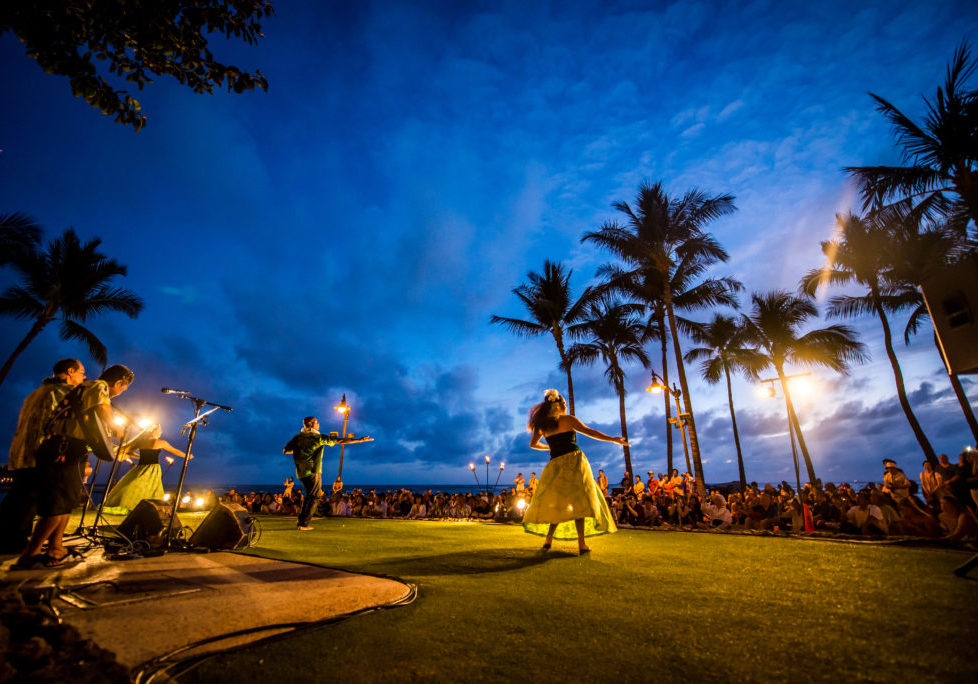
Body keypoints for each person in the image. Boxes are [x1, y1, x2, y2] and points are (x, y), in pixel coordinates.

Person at [16, 364, 133, 568]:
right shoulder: (98, 386)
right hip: (62, 448)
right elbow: (103, 408)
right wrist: (117, 427)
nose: (120, 393)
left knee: (67, 501)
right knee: (57, 503)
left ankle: (56, 548)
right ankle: (30, 555)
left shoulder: (84, 389)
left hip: (69, 448)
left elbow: (89, 423)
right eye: (123, 389)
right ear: (118, 383)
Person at [522, 389, 622, 554]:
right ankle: (581, 544)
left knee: (558, 504)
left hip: (556, 466)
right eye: (564, 404)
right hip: (574, 463)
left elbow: (533, 444)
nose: (566, 406)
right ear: (559, 405)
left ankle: (548, 540)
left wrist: (548, 446)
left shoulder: (543, 425)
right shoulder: (568, 420)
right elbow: (591, 432)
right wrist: (613, 439)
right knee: (579, 504)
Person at [1, 358, 86, 553]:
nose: (84, 377)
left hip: (22, 451)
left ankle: (13, 543)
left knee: (20, 498)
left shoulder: (36, 392)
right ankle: (30, 549)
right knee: (48, 503)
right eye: (82, 373)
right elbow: (63, 425)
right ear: (71, 371)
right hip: (45, 454)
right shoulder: (64, 393)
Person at [283, 416, 372, 530]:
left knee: (309, 496)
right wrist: (360, 440)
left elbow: (286, 450)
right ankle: (303, 524)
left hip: (301, 472)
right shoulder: (318, 437)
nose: (319, 424)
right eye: (317, 422)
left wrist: (301, 452)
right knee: (315, 496)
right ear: (311, 424)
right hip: (314, 471)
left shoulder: (298, 437)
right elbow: (340, 440)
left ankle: (301, 520)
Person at [100, 424, 191, 515]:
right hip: (152, 468)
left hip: (140, 467)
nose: (160, 432)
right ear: (154, 431)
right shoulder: (160, 442)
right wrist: (187, 456)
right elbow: (175, 451)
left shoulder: (141, 442)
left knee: (134, 487)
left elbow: (129, 451)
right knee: (151, 489)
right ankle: (148, 509)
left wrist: (139, 456)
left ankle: (132, 506)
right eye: (159, 430)